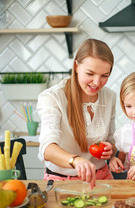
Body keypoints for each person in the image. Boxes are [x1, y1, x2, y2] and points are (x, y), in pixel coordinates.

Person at [37, 38, 117, 188]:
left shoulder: (110, 96)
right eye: (90, 73)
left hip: (102, 178)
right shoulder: (52, 97)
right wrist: (75, 160)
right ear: (76, 66)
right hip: (61, 181)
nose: (96, 82)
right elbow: (47, 148)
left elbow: (112, 140)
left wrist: (110, 150)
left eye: (104, 76)